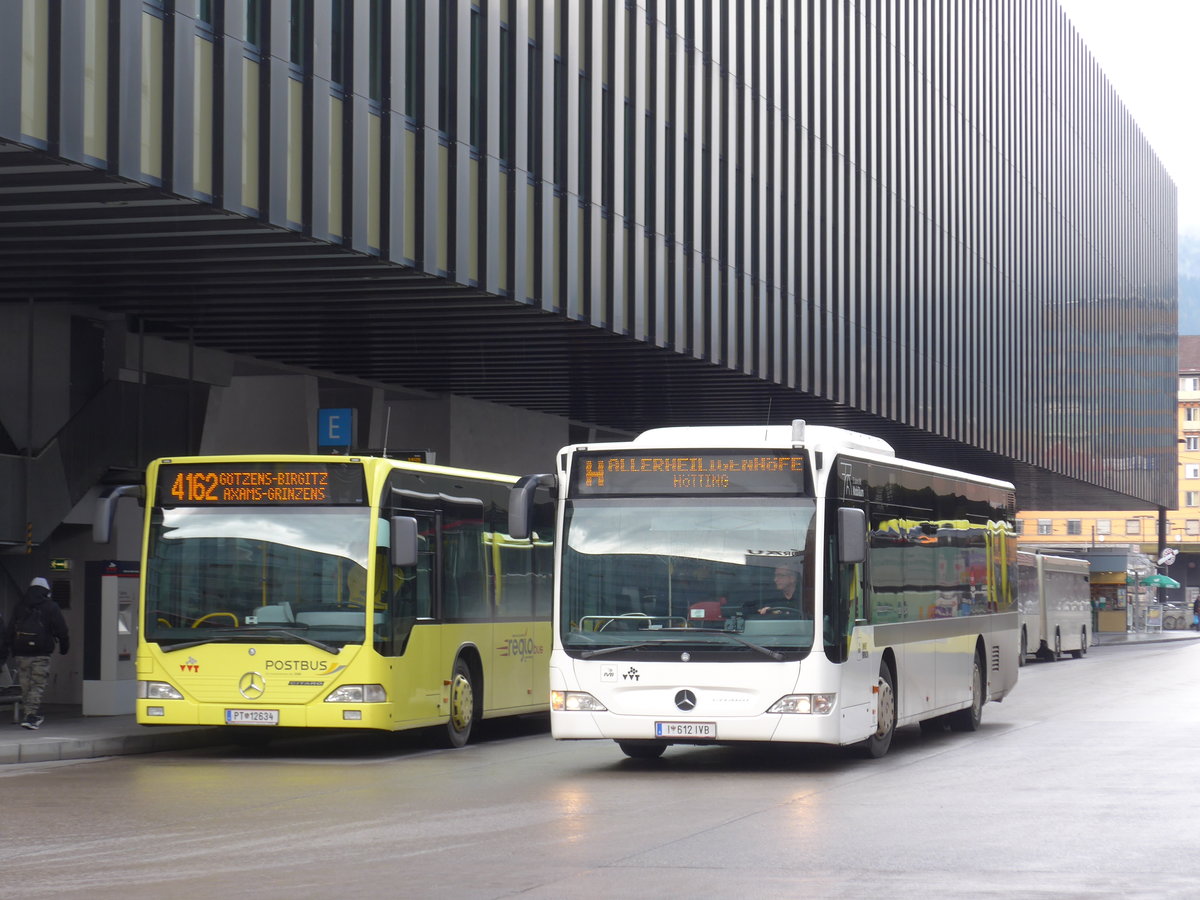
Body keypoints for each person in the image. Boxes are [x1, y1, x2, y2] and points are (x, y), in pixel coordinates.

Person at [7, 577, 70, 730]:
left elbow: (10, 629)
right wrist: (64, 646)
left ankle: (29, 713)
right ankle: (31, 715)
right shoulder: (51, 606)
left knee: (25, 684)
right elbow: (61, 629)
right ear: (46, 590)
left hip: (21, 652)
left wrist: (11, 648)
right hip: (41, 652)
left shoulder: (20, 605)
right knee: (38, 684)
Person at [746, 565, 813, 618]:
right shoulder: (771, 598)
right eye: (775, 575)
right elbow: (752, 610)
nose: (775, 580)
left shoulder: (806, 597)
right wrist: (766, 611)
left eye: (780, 576)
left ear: (792, 578)